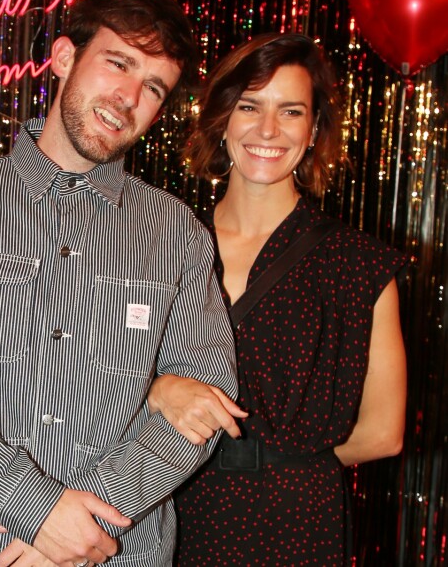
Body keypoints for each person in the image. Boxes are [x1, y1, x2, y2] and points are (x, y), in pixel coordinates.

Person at [0, 0, 240, 565]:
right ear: (65, 57)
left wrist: (83, 527)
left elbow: (204, 403)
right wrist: (35, 508)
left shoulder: (177, 232)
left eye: (153, 88)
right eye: (118, 63)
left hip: (121, 551)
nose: (127, 98)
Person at [147, 33, 407, 564]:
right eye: (249, 106)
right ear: (222, 119)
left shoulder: (357, 263)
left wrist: (284, 465)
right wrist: (157, 388)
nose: (268, 130)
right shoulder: (158, 245)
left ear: (313, 131)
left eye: (290, 112)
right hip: (167, 506)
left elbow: (383, 433)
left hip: (295, 523)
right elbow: (93, 378)